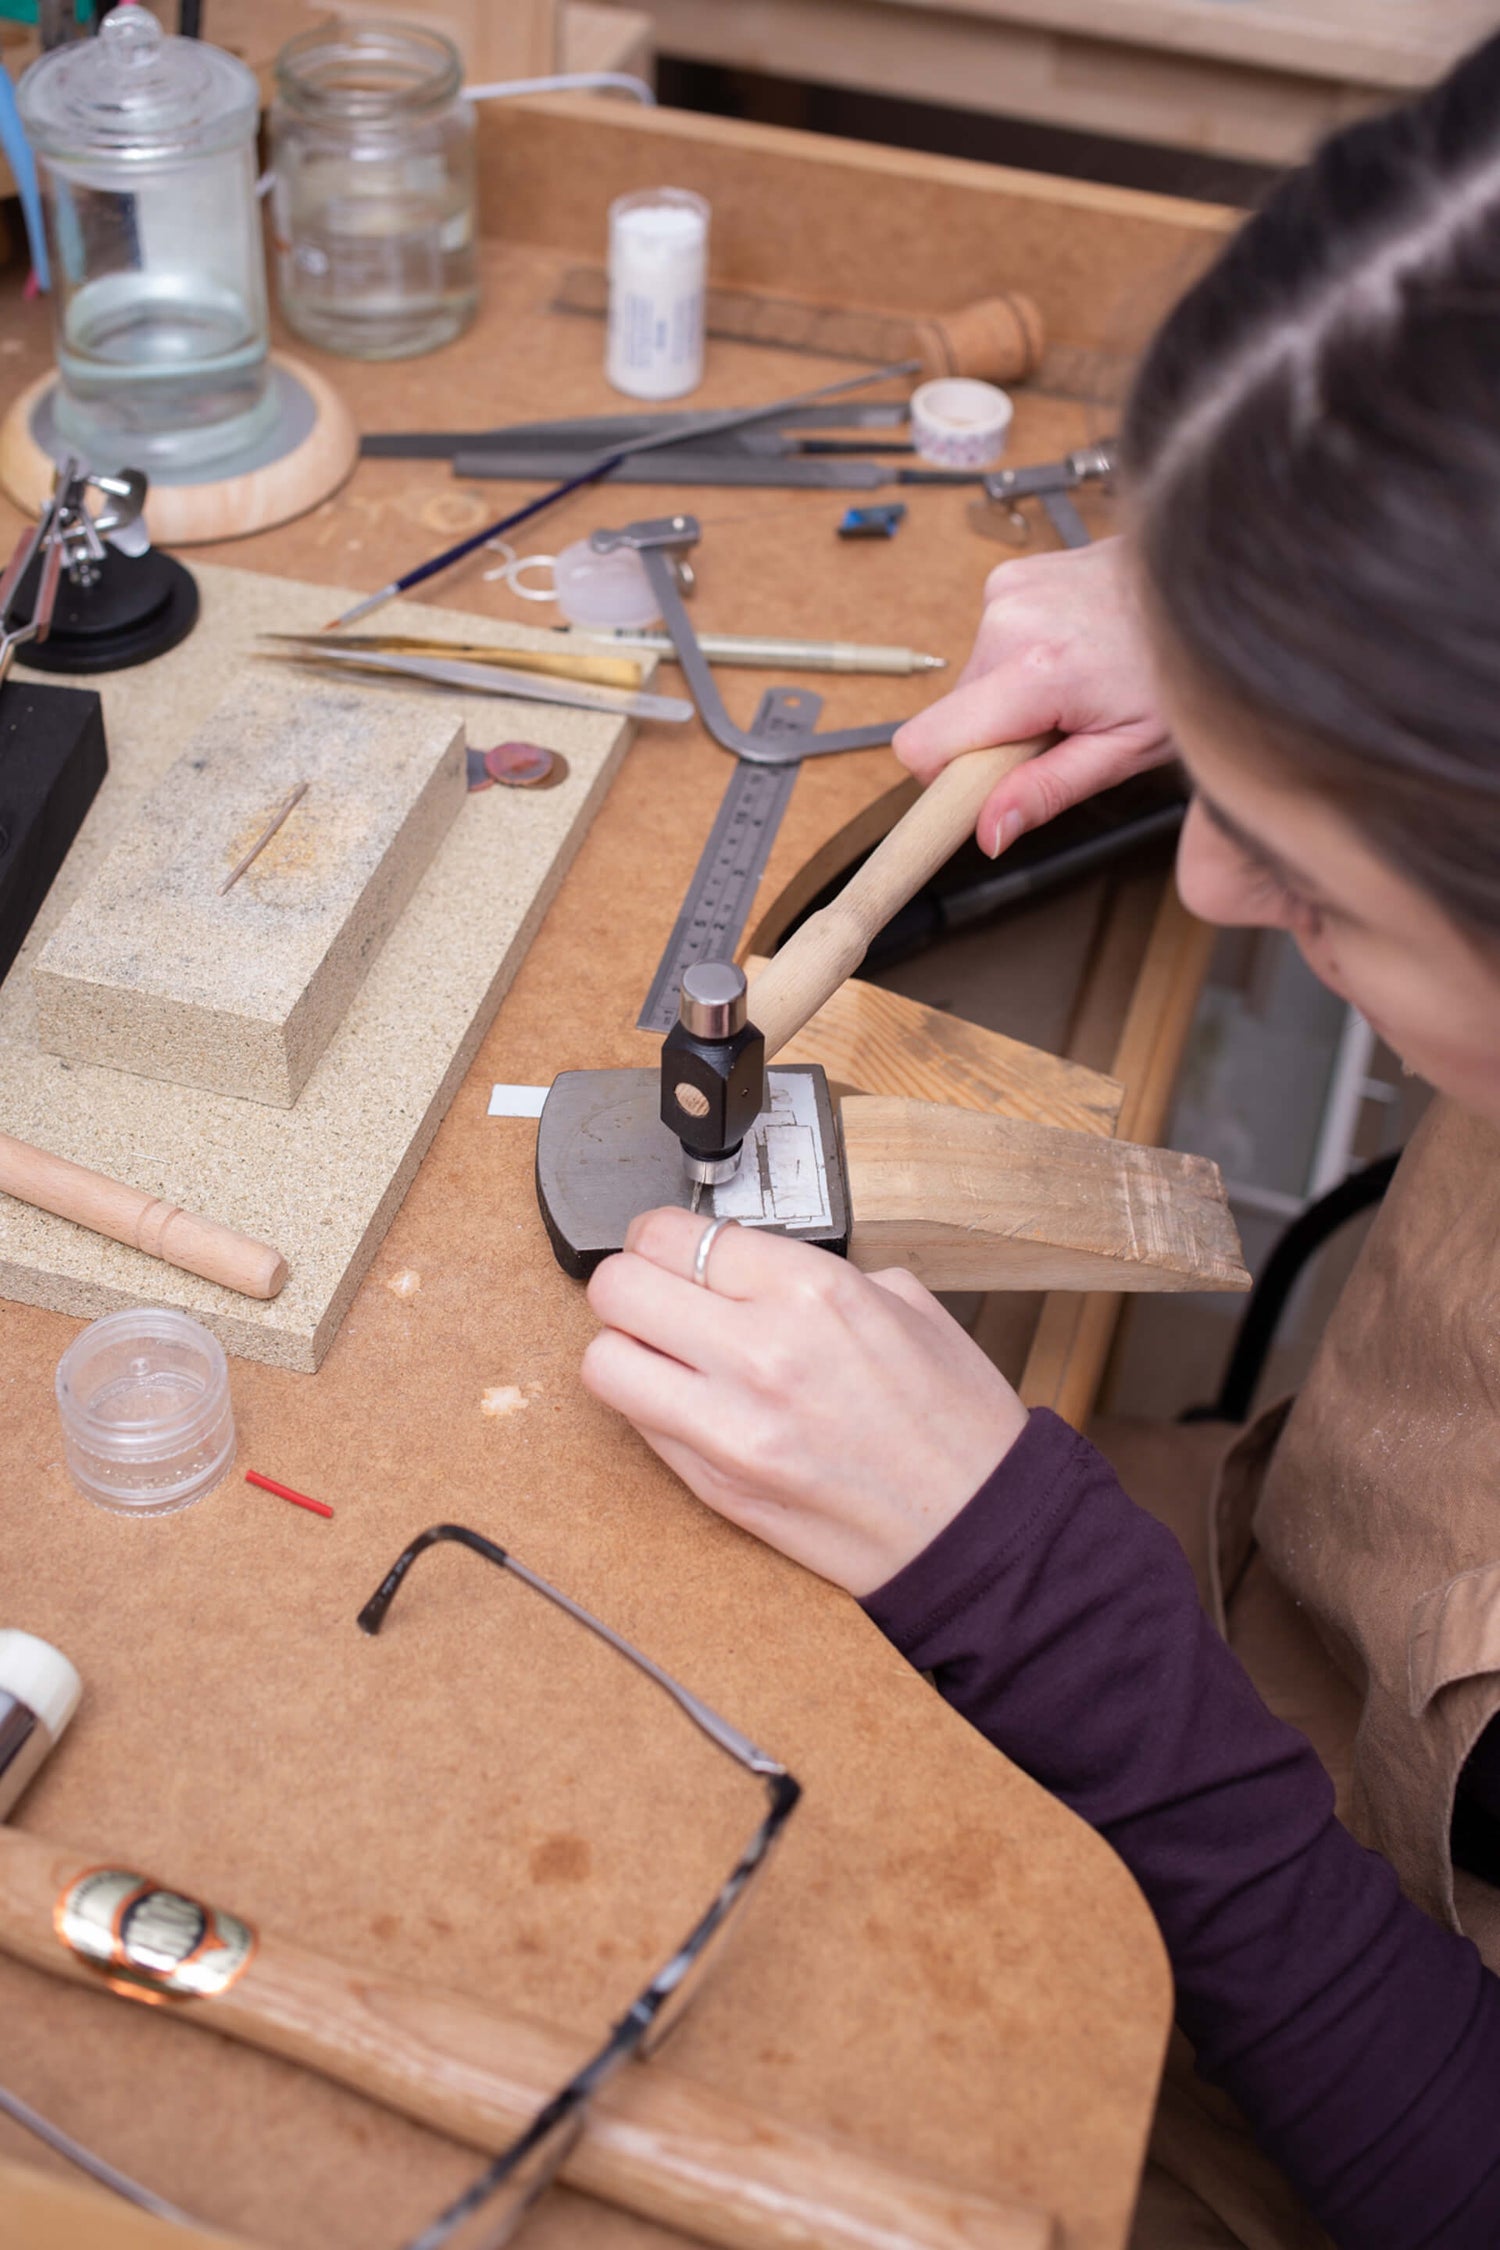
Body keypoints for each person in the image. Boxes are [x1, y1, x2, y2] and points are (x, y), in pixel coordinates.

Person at [580, 36, 1500, 2249]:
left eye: (1319, 883)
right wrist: (1240, 603)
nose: (1207, 891)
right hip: (1278, 1618)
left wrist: (1035, 1589)